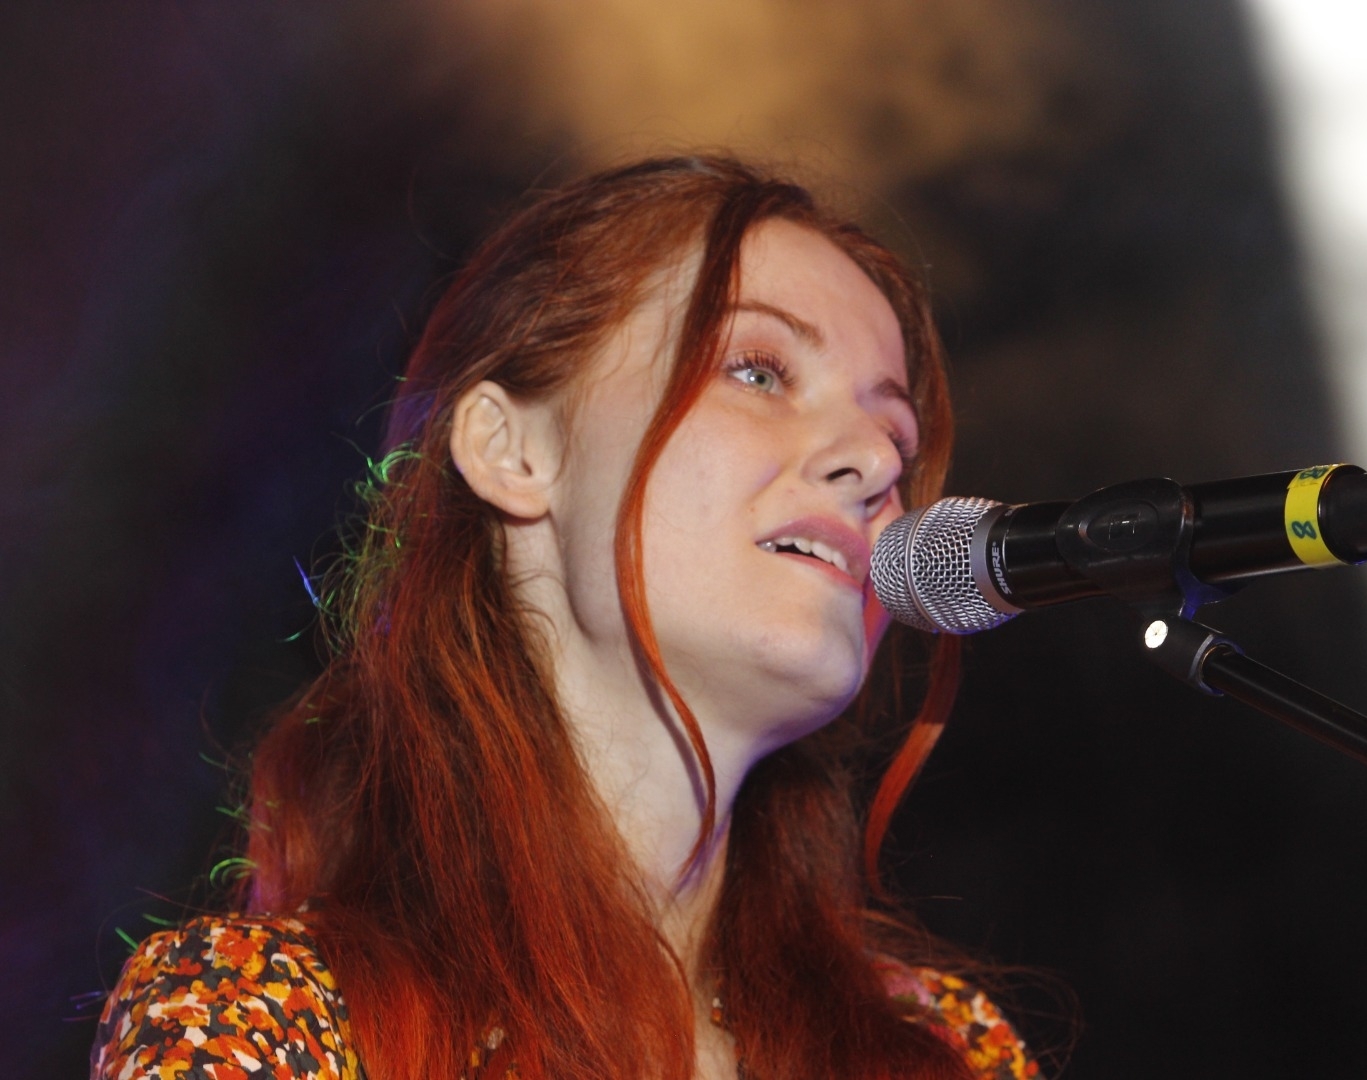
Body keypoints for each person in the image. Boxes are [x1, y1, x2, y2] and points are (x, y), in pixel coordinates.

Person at [91, 156, 1042, 1080]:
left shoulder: (950, 1049)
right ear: (513, 451)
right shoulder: (263, 1013)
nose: (875, 462)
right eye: (758, 371)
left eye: (895, 432)